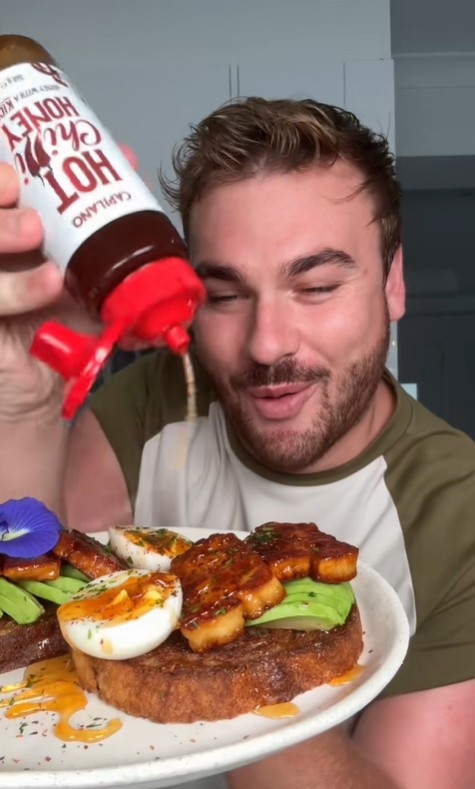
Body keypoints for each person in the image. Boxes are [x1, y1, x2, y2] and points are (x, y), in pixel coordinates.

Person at [0, 97, 474, 789]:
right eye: (223, 295)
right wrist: (24, 400)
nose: (267, 344)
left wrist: (235, 662)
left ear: (392, 283)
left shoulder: (458, 514)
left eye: (315, 285)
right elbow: (31, 611)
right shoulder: (148, 403)